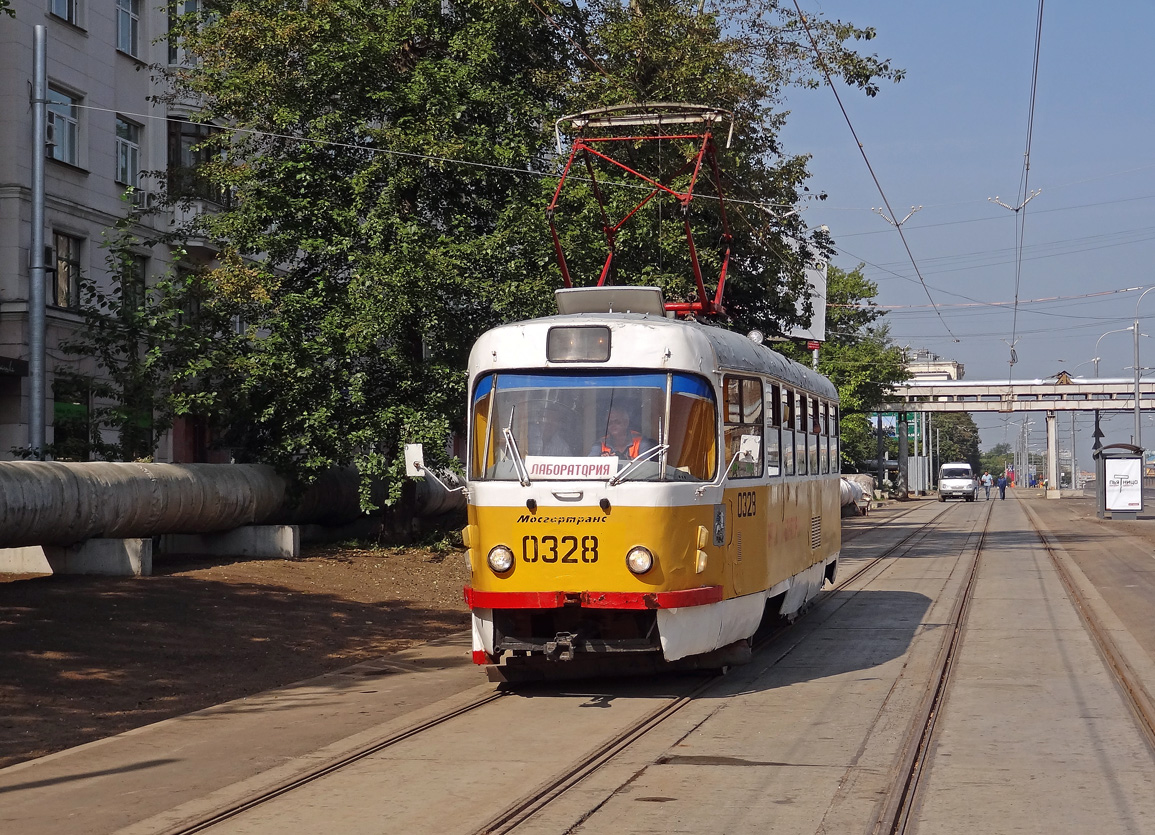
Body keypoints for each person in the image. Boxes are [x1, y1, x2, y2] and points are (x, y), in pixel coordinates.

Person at [590, 406, 656, 459]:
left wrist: (626, 459)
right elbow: (590, 463)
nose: (613, 425)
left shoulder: (640, 441)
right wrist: (602, 460)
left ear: (626, 422)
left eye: (617, 422)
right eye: (609, 423)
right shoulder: (600, 443)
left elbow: (646, 465)